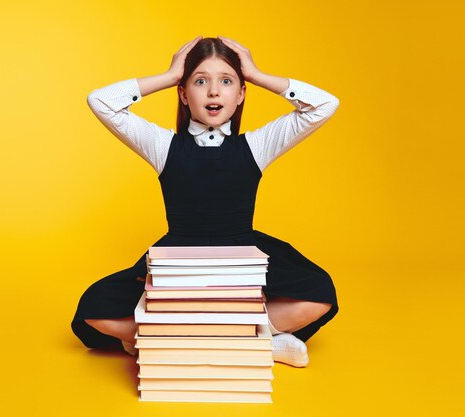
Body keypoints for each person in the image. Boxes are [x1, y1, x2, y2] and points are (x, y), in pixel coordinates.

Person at [71, 36, 340, 368]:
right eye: (200, 81)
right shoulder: (163, 145)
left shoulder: (255, 145)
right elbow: (100, 101)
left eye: (226, 82)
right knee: (92, 309)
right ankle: (253, 340)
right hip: (178, 260)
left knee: (320, 294)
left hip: (243, 258)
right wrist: (169, 76)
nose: (214, 92)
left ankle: (175, 339)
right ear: (184, 94)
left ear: (240, 94)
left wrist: (256, 75)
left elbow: (325, 104)